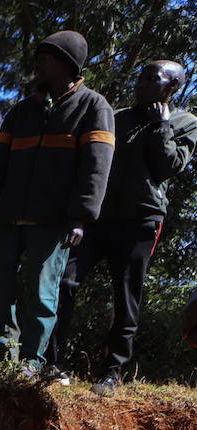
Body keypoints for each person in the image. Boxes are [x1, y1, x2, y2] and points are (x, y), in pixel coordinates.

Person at [47, 60, 196, 396]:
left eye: (151, 78)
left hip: (141, 222)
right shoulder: (115, 117)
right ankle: (52, 363)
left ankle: (112, 373)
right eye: (140, 75)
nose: (141, 82)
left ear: (172, 86)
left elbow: (167, 166)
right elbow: (90, 161)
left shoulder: (185, 123)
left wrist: (162, 125)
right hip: (96, 219)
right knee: (65, 281)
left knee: (126, 297)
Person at [0, 30, 115, 374]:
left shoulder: (93, 107)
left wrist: (80, 217)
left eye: (48, 57)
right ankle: (1, 358)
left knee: (42, 294)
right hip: (8, 218)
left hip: (53, 220)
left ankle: (31, 361)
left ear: (68, 64)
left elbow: (95, 168)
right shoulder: (21, 112)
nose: (39, 63)